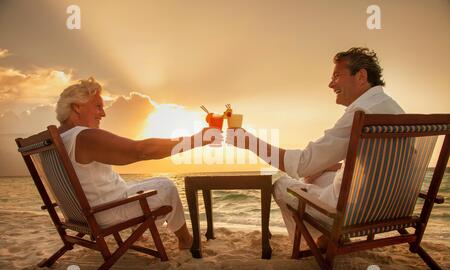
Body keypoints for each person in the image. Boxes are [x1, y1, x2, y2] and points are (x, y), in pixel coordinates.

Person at [226, 47, 405, 247]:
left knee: (283, 185)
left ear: (361, 76)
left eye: (337, 76)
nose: (330, 84)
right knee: (317, 175)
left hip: (356, 212)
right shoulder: (394, 109)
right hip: (394, 207)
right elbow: (380, 164)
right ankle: (330, 237)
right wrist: (328, 167)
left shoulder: (360, 113)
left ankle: (323, 240)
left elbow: (302, 164)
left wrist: (249, 142)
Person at [55, 77, 219, 249]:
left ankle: (138, 236)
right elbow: (141, 150)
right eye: (98, 106)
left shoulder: (57, 139)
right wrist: (196, 140)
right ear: (77, 107)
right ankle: (186, 240)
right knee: (166, 186)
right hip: (104, 213)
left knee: (143, 185)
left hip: (81, 214)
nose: (103, 113)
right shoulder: (83, 136)